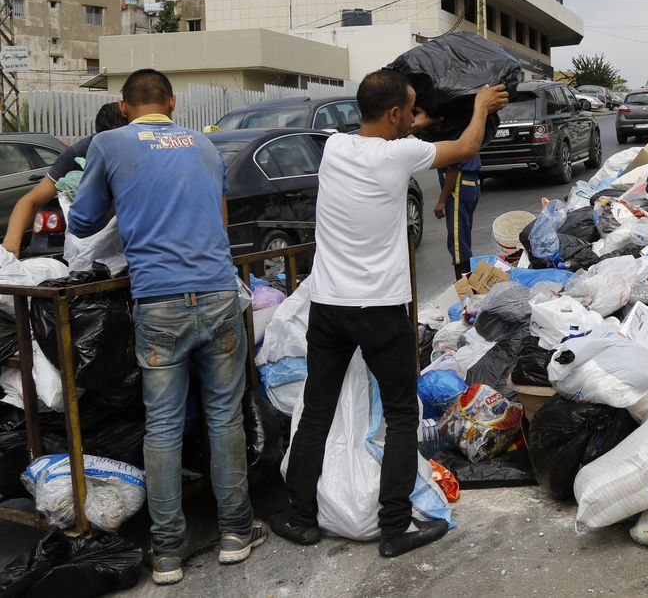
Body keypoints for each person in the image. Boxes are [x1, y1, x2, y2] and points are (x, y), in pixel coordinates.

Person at [271, 70, 508, 557]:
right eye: (411, 108)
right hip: (380, 310)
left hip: (329, 308)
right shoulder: (401, 155)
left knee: (316, 411)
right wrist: (480, 106)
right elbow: (464, 149)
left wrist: (417, 118)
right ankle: (395, 529)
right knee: (402, 415)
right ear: (397, 113)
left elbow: (395, 131)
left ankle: (301, 519)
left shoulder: (336, 148)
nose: (415, 117)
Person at [67, 69, 263, 586]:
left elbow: (81, 223)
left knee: (163, 426)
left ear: (125, 106)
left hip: (159, 302)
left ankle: (168, 553)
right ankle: (236, 534)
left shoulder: (109, 143)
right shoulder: (203, 143)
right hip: (220, 292)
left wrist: (121, 195)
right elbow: (214, 214)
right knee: (225, 418)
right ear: (171, 103)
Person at [2, 102, 127, 256]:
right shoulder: (80, 153)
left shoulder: (143, 147)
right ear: (99, 135)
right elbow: (30, 201)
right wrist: (11, 242)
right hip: (91, 250)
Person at [434, 152, 482, 280]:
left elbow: (453, 167)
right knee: (463, 237)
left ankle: (465, 288)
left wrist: (442, 200)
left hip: (458, 184)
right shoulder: (467, 132)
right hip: (471, 181)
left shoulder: (453, 133)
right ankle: (468, 283)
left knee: (458, 241)